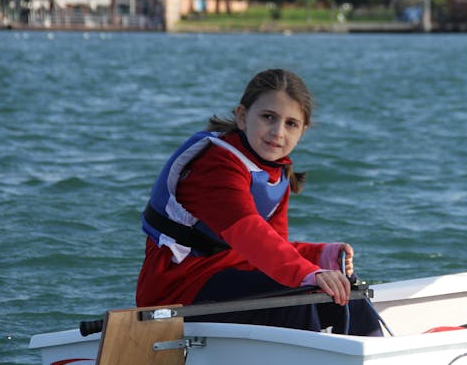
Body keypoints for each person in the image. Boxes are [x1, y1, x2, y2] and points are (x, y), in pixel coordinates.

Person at [135, 69, 382, 336]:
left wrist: (321, 256)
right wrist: (309, 273)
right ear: (242, 117)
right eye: (268, 117)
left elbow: (274, 247)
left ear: (303, 130)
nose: (278, 132)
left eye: (291, 124)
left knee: (346, 288)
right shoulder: (217, 166)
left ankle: (373, 360)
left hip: (229, 274)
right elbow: (249, 234)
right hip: (177, 288)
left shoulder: (277, 172)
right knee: (294, 294)